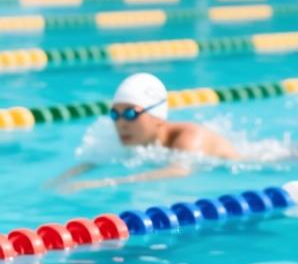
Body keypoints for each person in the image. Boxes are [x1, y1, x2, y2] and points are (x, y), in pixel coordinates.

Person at [51, 72, 239, 192]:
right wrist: (61, 179)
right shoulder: (126, 136)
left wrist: (102, 183)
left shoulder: (189, 137)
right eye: (115, 114)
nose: (121, 123)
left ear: (157, 116)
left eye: (131, 114)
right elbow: (96, 160)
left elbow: (179, 171)